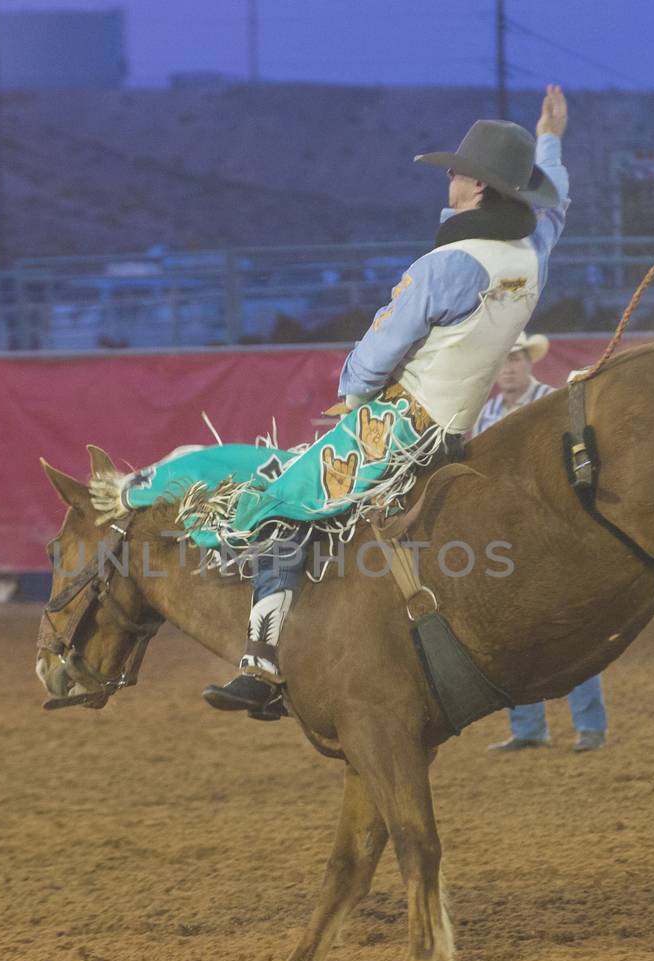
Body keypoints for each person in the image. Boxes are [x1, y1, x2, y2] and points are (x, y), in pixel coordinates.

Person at [201, 85, 573, 715]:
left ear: (477, 187)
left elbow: (380, 345)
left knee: (273, 505)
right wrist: (551, 140)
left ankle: (263, 668)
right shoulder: (532, 255)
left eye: (458, 171)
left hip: (399, 428)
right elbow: (558, 206)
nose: (450, 178)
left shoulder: (447, 264)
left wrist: (352, 396)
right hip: (456, 434)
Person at [472, 332, 609, 754]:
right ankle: (529, 727)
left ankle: (589, 726)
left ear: (527, 363)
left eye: (515, 359)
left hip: (552, 531)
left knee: (573, 628)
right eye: (503, 361)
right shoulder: (486, 413)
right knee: (512, 633)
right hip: (507, 536)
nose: (509, 367)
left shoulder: (552, 404)